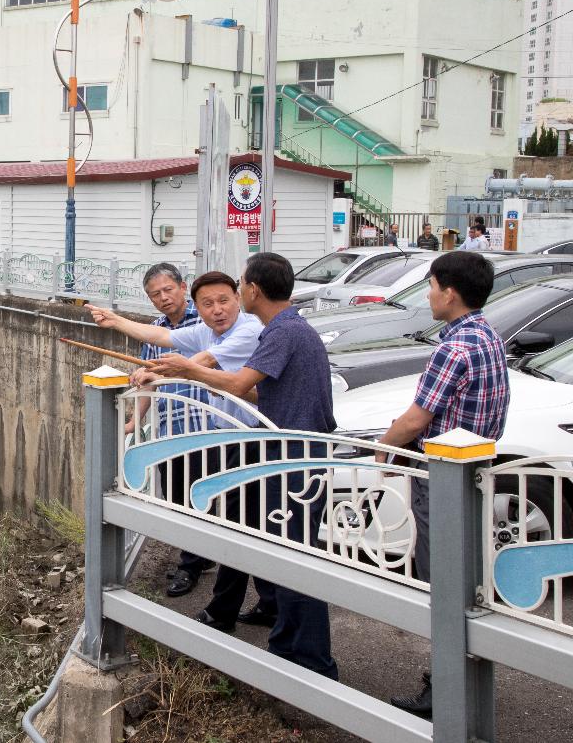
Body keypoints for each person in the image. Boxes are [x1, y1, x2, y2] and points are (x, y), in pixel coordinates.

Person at [148, 252, 339, 680]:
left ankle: (311, 663)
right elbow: (258, 396)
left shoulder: (281, 331)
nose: (231, 296)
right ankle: (288, 647)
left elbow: (237, 384)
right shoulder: (288, 329)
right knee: (278, 549)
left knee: (295, 559)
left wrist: (186, 370)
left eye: (238, 285)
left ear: (252, 291)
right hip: (288, 452)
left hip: (294, 457)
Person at [376, 250, 510, 716]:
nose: (429, 295)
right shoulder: (488, 336)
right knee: (469, 579)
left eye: (431, 286)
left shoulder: (453, 347)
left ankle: (445, 690)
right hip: (476, 475)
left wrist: (383, 449)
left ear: (449, 293)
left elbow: (415, 419)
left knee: (443, 583)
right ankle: (467, 680)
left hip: (444, 482)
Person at [85, 270, 268, 600]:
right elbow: (158, 339)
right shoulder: (205, 330)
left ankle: (214, 582)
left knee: (242, 518)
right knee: (197, 504)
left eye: (223, 301)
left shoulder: (246, 329)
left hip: (238, 434)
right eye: (208, 303)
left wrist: (157, 372)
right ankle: (241, 593)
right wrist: (115, 321)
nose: (216, 309)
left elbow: (197, 363)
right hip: (192, 431)